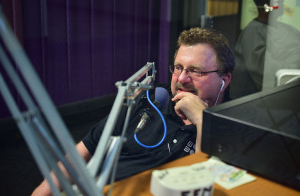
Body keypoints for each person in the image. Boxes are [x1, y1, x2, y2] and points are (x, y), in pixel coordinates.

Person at [31, 27, 234, 196]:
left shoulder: (234, 125)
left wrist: (201, 120)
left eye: (196, 71)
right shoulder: (151, 99)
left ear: (224, 80)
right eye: (178, 68)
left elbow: (202, 182)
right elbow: (86, 150)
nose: (181, 79)